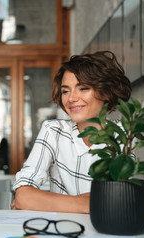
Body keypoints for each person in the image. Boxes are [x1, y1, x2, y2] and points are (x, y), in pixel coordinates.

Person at [11, 51, 132, 213]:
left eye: (83, 88)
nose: (71, 98)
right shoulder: (53, 131)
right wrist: (90, 202)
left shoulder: (122, 134)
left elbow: (118, 200)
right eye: (65, 91)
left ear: (106, 92)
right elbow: (23, 198)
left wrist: (42, 200)